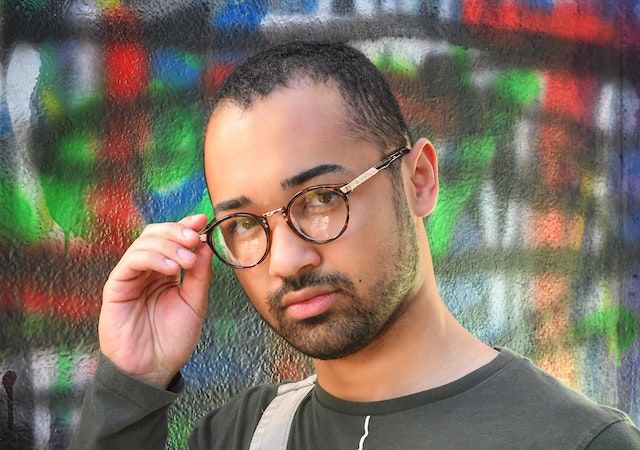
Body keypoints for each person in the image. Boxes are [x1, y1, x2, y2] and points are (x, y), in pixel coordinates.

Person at [71, 41, 640, 449]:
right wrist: (133, 387)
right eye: (244, 223)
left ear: (418, 179)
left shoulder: (576, 440)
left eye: (321, 198)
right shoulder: (241, 435)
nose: (287, 260)